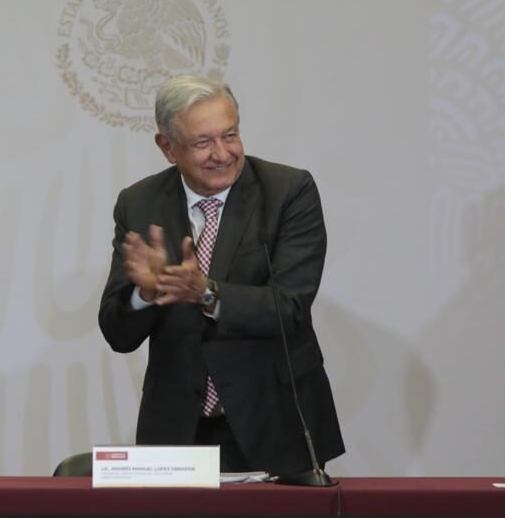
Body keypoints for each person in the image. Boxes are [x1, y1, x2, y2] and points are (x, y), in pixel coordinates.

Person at [98, 75, 344, 476]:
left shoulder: (287, 191)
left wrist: (206, 293)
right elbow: (117, 334)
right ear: (167, 147)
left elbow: (290, 308)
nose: (222, 153)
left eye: (230, 135)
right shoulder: (139, 203)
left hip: (274, 422)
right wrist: (145, 295)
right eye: (202, 142)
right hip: (178, 430)